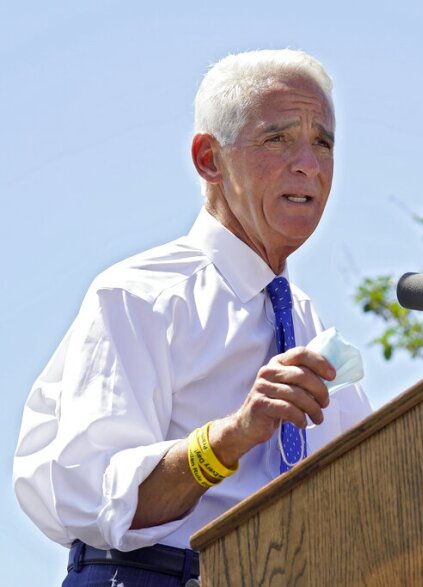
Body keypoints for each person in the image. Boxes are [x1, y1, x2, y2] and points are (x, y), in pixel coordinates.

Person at [12, 49, 372, 586]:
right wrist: (232, 437)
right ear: (209, 159)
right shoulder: (140, 295)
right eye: (277, 138)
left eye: (323, 142)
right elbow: (95, 496)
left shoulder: (304, 319)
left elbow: (368, 488)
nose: (309, 164)